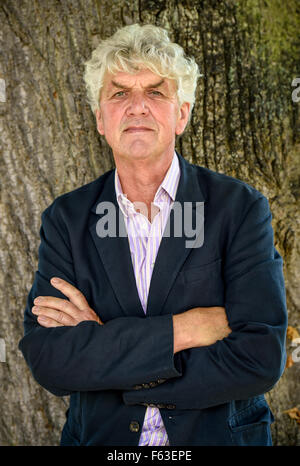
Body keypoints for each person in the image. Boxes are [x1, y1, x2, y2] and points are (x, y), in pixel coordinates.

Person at [19, 24, 287, 446]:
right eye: (120, 93)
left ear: (181, 114)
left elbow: (261, 358)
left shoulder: (239, 209)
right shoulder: (67, 219)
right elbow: (49, 358)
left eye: (156, 92)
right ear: (100, 119)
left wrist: (105, 345)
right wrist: (185, 329)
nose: (137, 107)